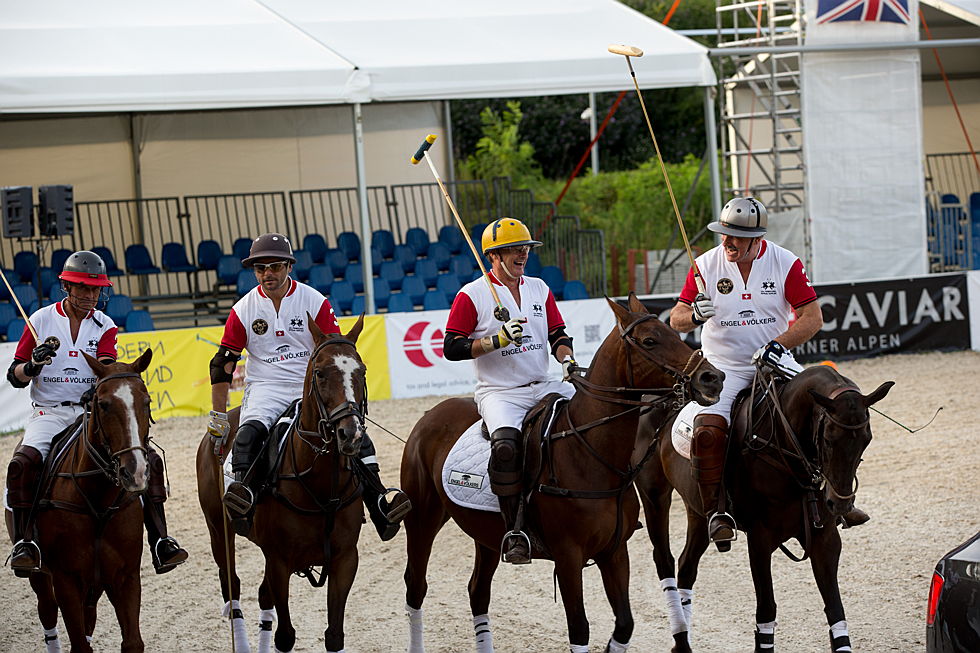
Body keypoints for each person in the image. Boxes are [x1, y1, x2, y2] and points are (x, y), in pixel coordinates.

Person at [670, 197, 868, 549]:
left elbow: (812, 317)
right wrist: (695, 315)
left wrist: (780, 343)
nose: (727, 242)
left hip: (774, 360)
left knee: (831, 415)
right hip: (724, 368)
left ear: (756, 239)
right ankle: (717, 511)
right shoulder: (704, 265)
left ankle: (837, 498)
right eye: (723, 234)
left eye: (735, 237)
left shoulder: (784, 261)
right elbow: (676, 318)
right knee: (709, 430)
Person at [211, 233, 410, 540]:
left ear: (288, 267)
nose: (268, 274)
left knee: (355, 433)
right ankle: (245, 498)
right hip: (266, 387)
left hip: (310, 386)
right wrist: (219, 416)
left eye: (275, 266)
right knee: (248, 436)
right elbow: (222, 364)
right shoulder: (243, 309)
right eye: (260, 269)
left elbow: (335, 349)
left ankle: (378, 503)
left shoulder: (314, 300)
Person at [5, 250, 187, 576]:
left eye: (95, 290)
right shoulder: (40, 321)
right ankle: (25, 542)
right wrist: (33, 364)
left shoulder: (105, 325)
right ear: (66, 286)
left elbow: (105, 365)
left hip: (90, 413)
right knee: (22, 464)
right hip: (49, 412)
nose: (90, 297)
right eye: (83, 289)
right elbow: (14, 377)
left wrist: (99, 384)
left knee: (147, 458)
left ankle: (161, 540)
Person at [443, 217, 579, 564]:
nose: (523, 254)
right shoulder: (472, 294)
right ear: (494, 256)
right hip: (500, 391)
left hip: (543, 383)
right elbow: (452, 347)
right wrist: (494, 341)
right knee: (505, 447)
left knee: (589, 420)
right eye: (515, 249)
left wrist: (567, 360)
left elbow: (558, 334)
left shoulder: (539, 288)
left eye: (526, 248)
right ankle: (515, 529)